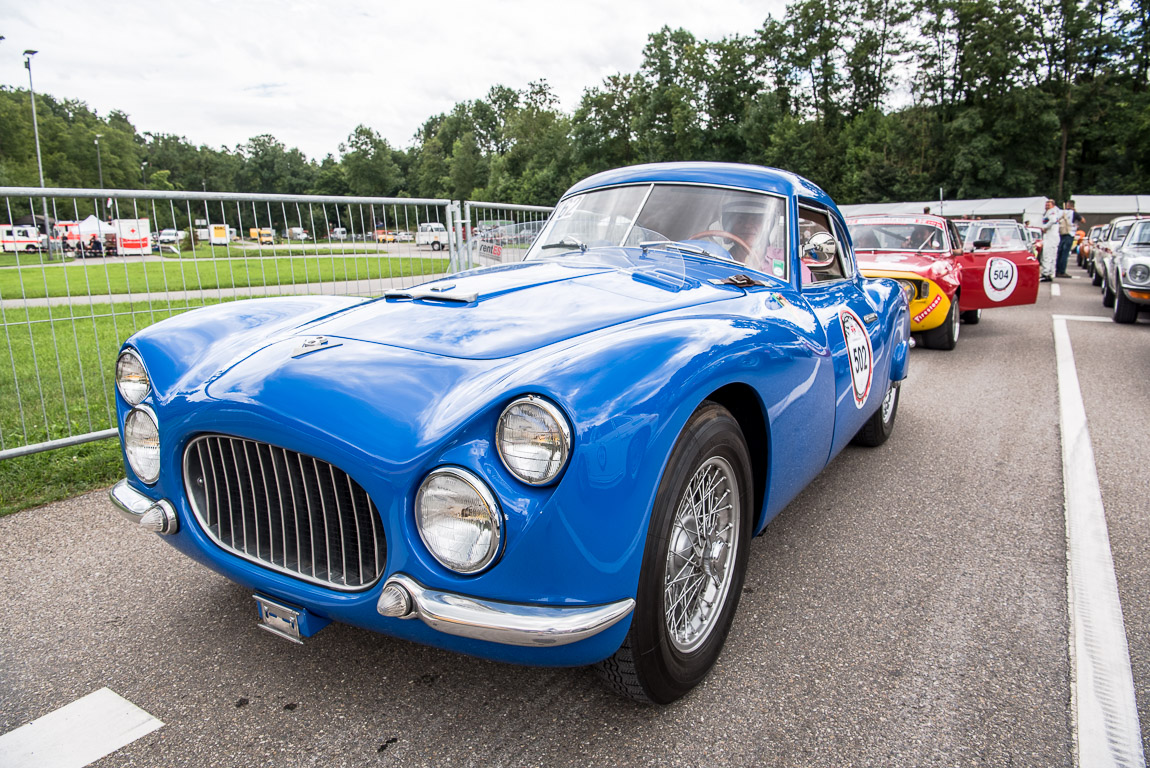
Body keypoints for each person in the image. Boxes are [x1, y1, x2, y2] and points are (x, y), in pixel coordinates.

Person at [1039, 198, 1061, 281]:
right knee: (1052, 256)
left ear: (1053, 205)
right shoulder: (1055, 211)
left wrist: (1045, 227)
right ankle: (1051, 273)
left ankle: (1046, 273)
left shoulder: (1051, 212)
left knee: (1047, 255)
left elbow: (1053, 220)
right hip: (1053, 236)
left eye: (1048, 205)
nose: (1046, 206)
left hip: (1050, 236)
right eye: (1046, 205)